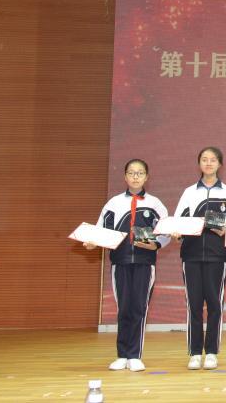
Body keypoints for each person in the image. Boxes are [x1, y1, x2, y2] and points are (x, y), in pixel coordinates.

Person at [86, 158, 169, 372]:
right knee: (124, 308)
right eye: (131, 173)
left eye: (140, 173)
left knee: (139, 308)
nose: (135, 176)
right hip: (120, 262)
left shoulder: (155, 204)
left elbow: (167, 231)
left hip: (145, 263)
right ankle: (122, 355)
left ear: (146, 177)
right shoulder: (113, 203)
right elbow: (100, 230)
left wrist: (156, 244)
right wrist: (92, 242)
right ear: (125, 176)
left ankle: (135, 355)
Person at [173, 147, 226, 370]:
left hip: (217, 255)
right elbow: (178, 221)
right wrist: (176, 231)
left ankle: (211, 352)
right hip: (190, 255)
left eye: (213, 160)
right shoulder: (189, 192)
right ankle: (194, 352)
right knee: (193, 304)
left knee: (214, 304)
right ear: (199, 163)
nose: (209, 163)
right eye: (204, 159)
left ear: (220, 164)